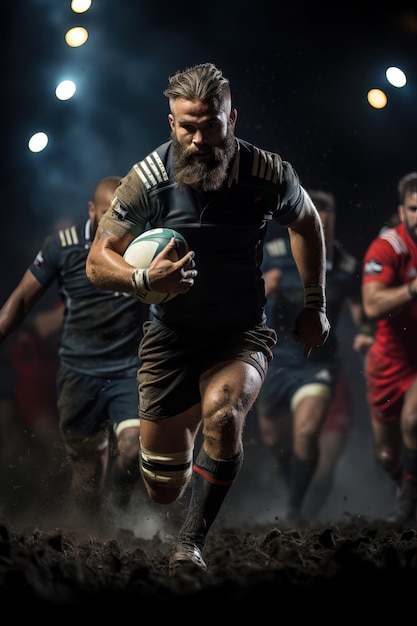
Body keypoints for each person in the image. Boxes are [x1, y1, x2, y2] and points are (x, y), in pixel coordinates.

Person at [86, 62, 330, 570]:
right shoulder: (148, 179)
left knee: (224, 414)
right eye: (188, 126)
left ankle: (188, 545)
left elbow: (306, 221)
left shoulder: (269, 173)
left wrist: (315, 303)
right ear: (171, 124)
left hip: (239, 332)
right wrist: (143, 281)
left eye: (211, 124)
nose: (200, 138)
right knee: (163, 488)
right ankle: (186, 431)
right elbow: (97, 259)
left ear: (232, 118)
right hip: (170, 339)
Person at [0, 176, 149, 526]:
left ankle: (120, 512)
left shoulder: (144, 244)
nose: (115, 224)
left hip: (128, 370)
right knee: (86, 472)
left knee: (132, 447)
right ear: (91, 211)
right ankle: (93, 538)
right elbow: (21, 299)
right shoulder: (62, 246)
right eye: (107, 214)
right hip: (78, 373)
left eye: (123, 215)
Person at [257, 190, 373, 524]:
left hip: (318, 365)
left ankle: (294, 510)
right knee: (274, 439)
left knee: (307, 430)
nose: (317, 236)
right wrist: (264, 288)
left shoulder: (346, 266)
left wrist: (366, 331)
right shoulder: (274, 256)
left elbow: (360, 311)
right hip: (276, 362)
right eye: (310, 228)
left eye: (324, 227)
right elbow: (240, 302)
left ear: (333, 224)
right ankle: (294, 488)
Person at [362, 171, 417, 523]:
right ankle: (408, 484)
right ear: (402, 211)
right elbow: (371, 304)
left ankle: (408, 502)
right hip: (388, 362)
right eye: (415, 209)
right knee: (385, 456)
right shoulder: (389, 246)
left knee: (414, 420)